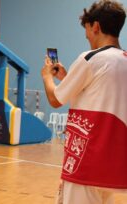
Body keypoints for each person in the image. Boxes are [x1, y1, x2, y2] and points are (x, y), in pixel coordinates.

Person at [41, 0, 127, 204]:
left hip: (86, 162)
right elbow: (99, 94)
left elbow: (55, 99)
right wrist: (67, 78)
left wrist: (46, 76)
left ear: (96, 26)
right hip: (113, 165)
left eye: (87, 30)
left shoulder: (91, 58)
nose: (87, 36)